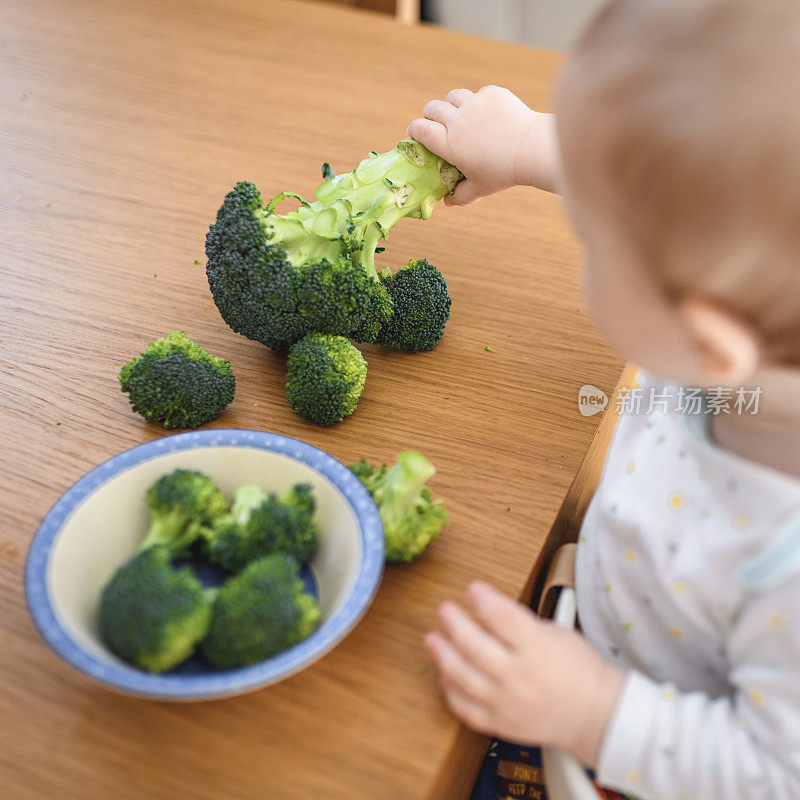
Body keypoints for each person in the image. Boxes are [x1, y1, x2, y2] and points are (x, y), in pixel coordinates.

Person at [410, 1, 800, 798]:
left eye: (591, 242)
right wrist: (524, 143)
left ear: (706, 348)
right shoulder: (746, 323)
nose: (582, 232)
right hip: (595, 616)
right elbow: (654, 183)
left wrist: (591, 709)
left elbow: (769, 771)